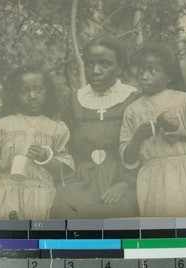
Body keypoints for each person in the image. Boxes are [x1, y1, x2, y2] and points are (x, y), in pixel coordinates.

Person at [120, 43, 186, 217]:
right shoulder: (133, 110)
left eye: (152, 70)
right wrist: (138, 137)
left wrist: (181, 135)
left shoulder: (185, 100)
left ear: (169, 75)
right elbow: (127, 156)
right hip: (151, 178)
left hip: (184, 175)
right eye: (141, 70)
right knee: (159, 227)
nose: (144, 76)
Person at [50, 36, 139, 219]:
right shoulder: (74, 101)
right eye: (89, 64)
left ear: (120, 67)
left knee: (122, 213)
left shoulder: (134, 100)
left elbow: (144, 148)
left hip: (124, 179)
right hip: (81, 179)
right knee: (65, 208)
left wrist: (125, 183)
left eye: (105, 64)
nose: (95, 71)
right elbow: (65, 148)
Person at [0, 65, 75, 219]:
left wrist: (46, 158)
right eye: (24, 91)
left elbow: (66, 167)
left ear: (48, 92)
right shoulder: (1, 126)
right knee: (10, 237)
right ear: (14, 95)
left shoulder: (56, 129)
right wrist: (5, 164)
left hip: (42, 197)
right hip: (8, 196)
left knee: (37, 237)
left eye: (39, 90)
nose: (32, 96)